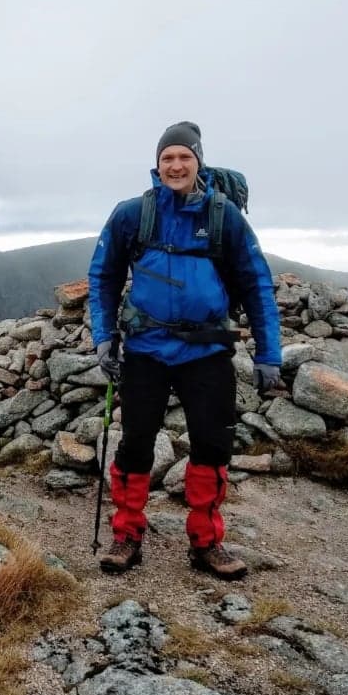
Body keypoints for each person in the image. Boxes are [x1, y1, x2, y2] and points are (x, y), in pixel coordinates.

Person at [87, 121, 282, 580]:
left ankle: (206, 543)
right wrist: (103, 336)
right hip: (147, 350)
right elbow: (104, 277)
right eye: (167, 158)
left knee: (212, 446)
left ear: (199, 162)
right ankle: (126, 536)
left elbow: (257, 284)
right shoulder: (132, 214)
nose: (175, 165)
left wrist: (269, 355)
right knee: (136, 445)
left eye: (184, 157)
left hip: (207, 351)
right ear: (157, 165)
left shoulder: (224, 217)